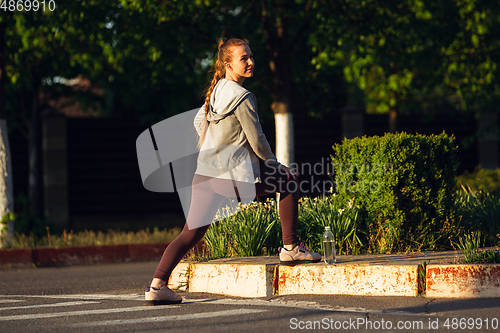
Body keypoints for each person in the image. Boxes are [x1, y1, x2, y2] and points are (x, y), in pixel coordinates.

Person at [145, 38, 321, 305]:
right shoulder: (242, 97)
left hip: (204, 176)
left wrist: (213, 146)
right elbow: (257, 138)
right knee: (289, 181)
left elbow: (198, 120)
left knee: (190, 234)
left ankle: (157, 286)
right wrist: (276, 165)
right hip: (229, 179)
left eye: (251, 56)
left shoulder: (217, 91)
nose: (250, 62)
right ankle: (290, 248)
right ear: (228, 64)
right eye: (244, 58)